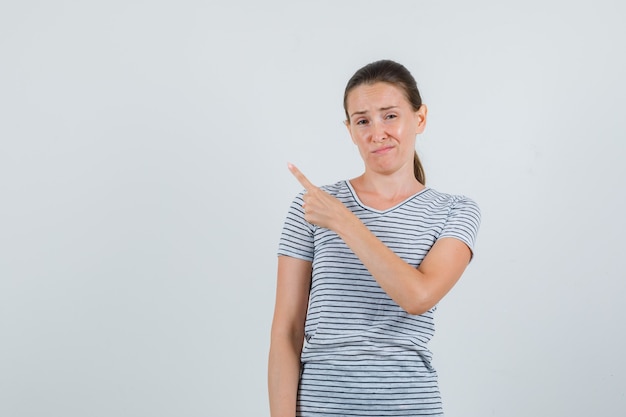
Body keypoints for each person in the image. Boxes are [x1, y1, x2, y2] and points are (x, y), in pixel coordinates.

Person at [268, 59, 481, 417]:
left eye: (390, 115)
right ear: (350, 130)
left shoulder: (455, 210)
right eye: (363, 120)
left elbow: (418, 296)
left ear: (420, 118)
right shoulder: (311, 207)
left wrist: (344, 221)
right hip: (322, 407)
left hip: (410, 406)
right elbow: (286, 332)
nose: (376, 132)